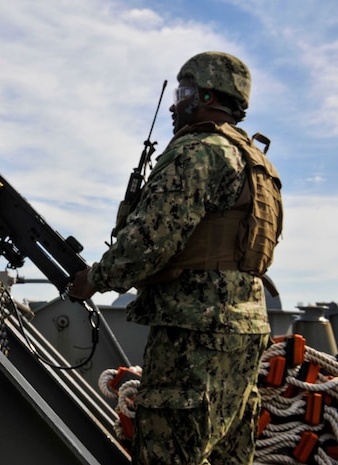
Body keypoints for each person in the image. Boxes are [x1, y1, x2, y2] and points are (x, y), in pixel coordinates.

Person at [67, 51, 283, 465]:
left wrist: (94, 278)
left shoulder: (198, 150)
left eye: (183, 92)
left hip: (194, 333)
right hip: (247, 329)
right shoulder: (260, 164)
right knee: (224, 450)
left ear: (206, 95)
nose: (174, 104)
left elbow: (149, 240)